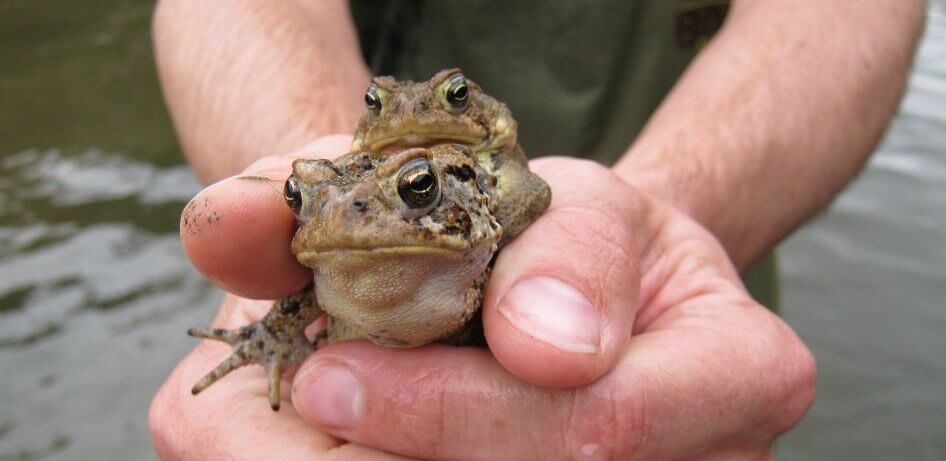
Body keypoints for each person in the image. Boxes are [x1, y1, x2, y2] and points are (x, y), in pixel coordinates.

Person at [148, 1, 924, 459]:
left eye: (413, 184)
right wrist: (299, 166)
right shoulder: (336, 213)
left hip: (656, 321)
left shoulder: (492, 199)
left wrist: (648, 230)